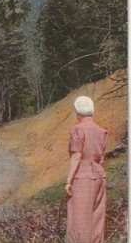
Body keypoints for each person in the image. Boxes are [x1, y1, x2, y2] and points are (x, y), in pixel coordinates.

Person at [65, 96, 108, 243]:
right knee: (97, 220)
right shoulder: (101, 131)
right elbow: (101, 158)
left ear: (78, 112)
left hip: (82, 179)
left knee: (79, 221)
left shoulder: (77, 129)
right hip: (99, 178)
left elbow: (76, 156)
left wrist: (68, 181)